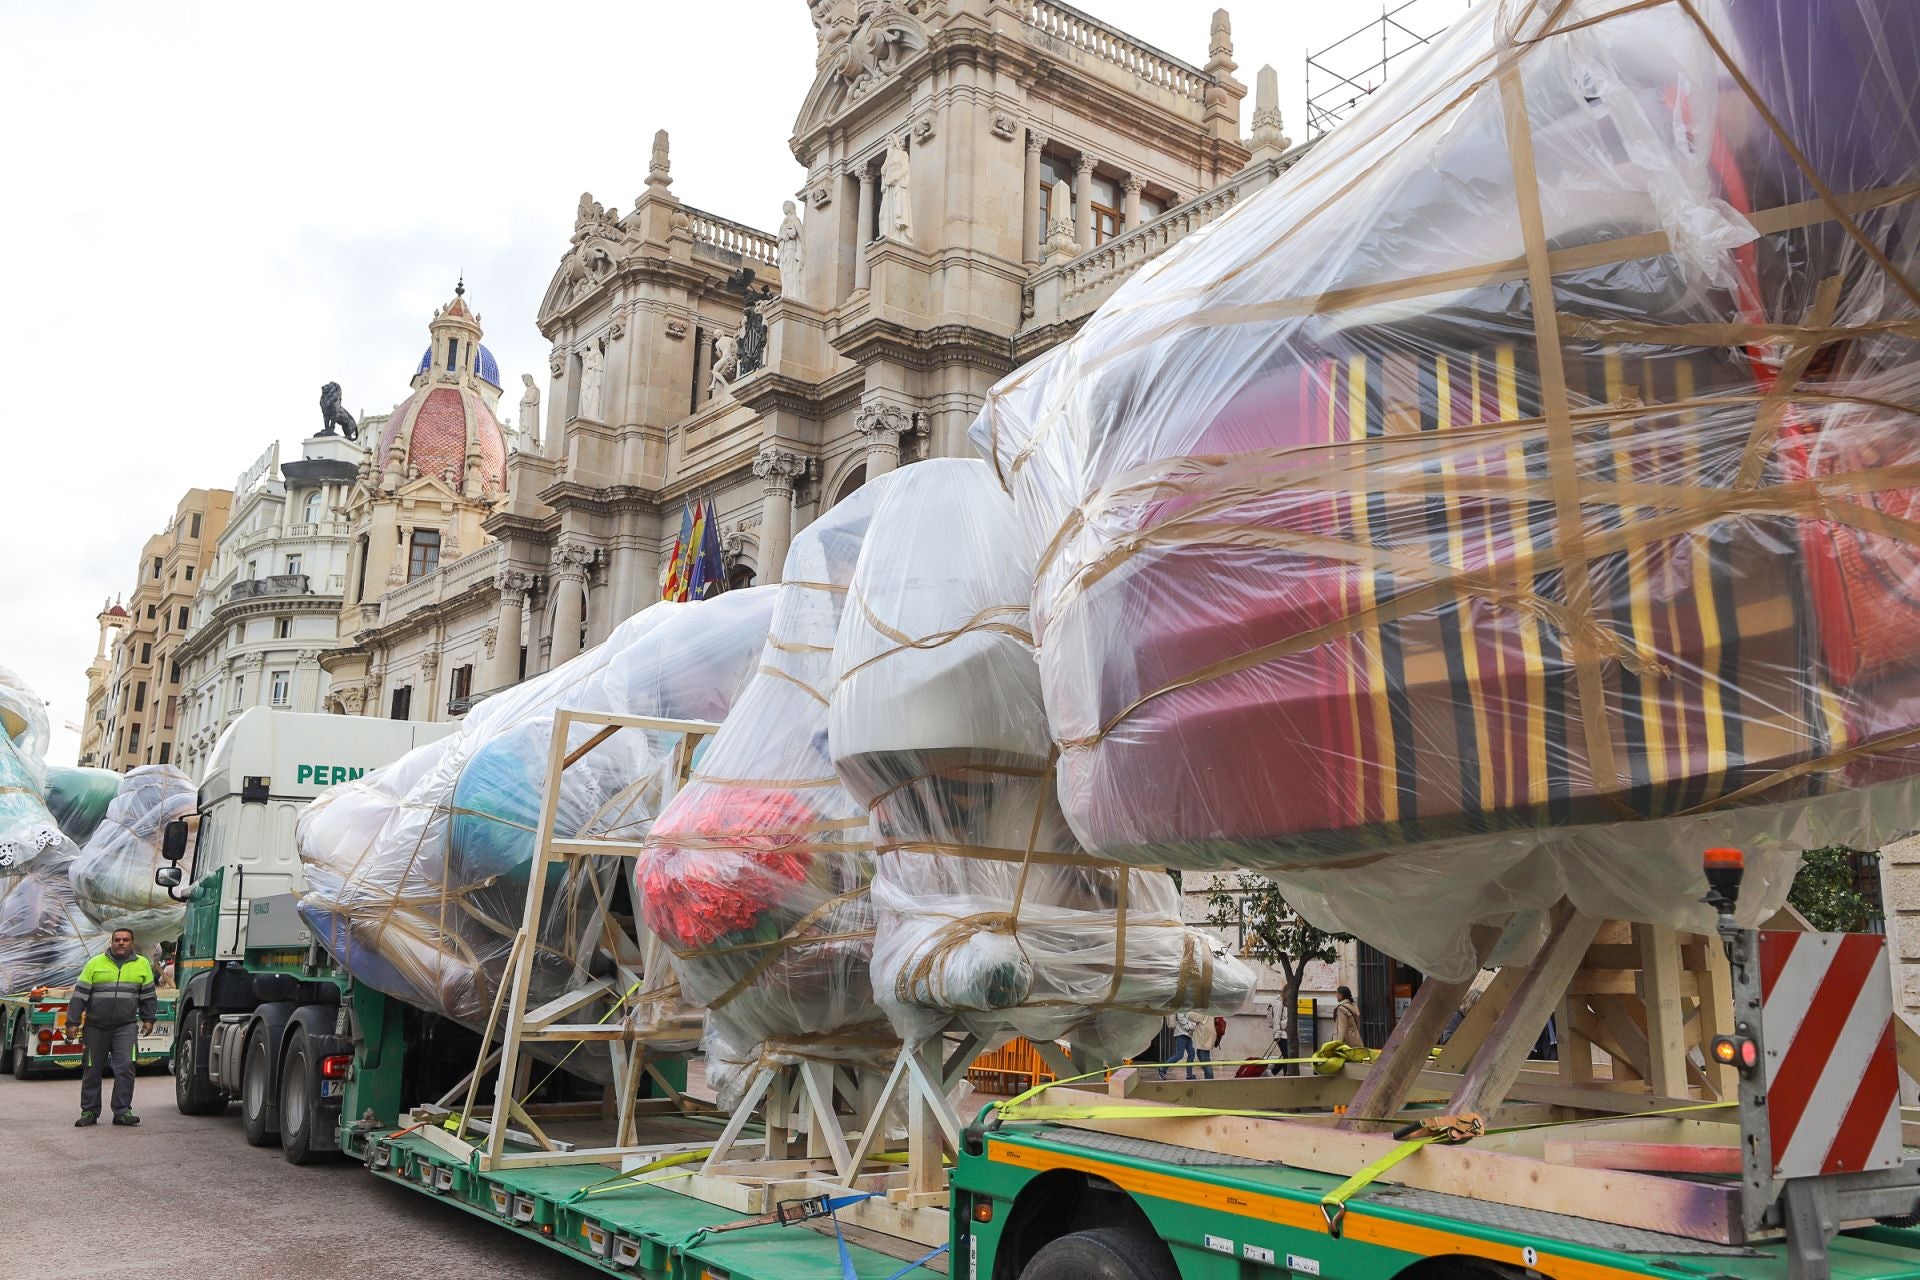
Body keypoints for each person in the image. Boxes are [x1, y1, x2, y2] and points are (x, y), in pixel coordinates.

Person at [66, 927, 157, 1127]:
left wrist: (149, 1019)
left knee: (125, 1067)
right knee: (92, 1069)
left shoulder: (142, 965)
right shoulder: (95, 964)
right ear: (112, 942)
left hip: (125, 1027)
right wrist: (72, 1022)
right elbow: (79, 996)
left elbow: (148, 996)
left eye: (125, 940)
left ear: (132, 943)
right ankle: (89, 1111)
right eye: (117, 940)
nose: (121, 943)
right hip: (95, 1027)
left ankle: (122, 1111)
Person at [1190, 1011, 1220, 1080]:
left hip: (1204, 1035)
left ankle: (1209, 1079)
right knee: (1201, 1055)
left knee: (1204, 1058)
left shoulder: (1203, 1008)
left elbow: (1192, 1017)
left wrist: (1189, 1009)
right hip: (1206, 1034)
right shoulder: (1208, 1007)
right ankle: (1208, 1077)